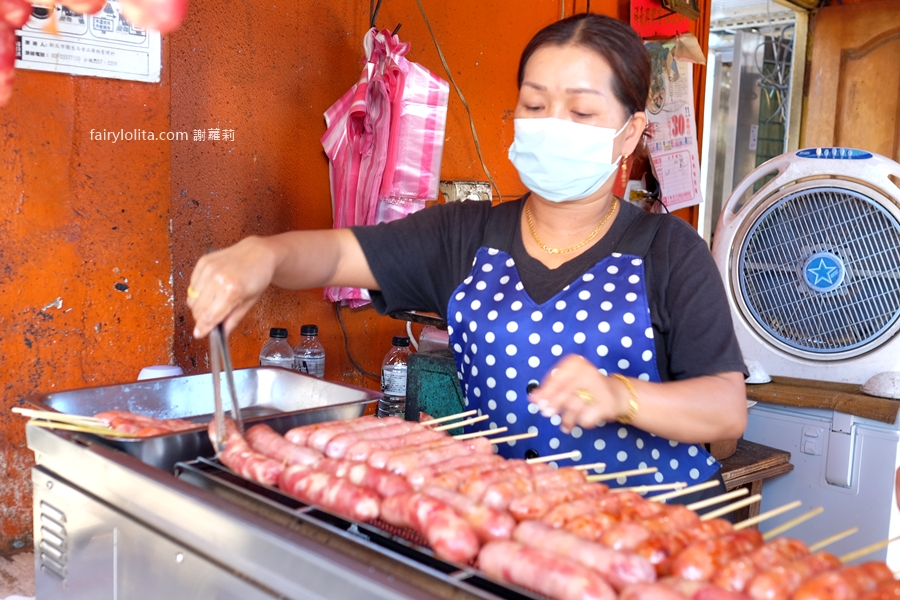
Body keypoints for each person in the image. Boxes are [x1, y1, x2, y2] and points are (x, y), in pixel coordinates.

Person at [187, 14, 747, 499]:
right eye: (535, 104)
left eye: (580, 113)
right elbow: (335, 256)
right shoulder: (466, 236)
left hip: (654, 536)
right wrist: (261, 255)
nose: (552, 126)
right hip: (505, 527)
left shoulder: (669, 251)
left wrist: (620, 395)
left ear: (629, 135)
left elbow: (725, 415)